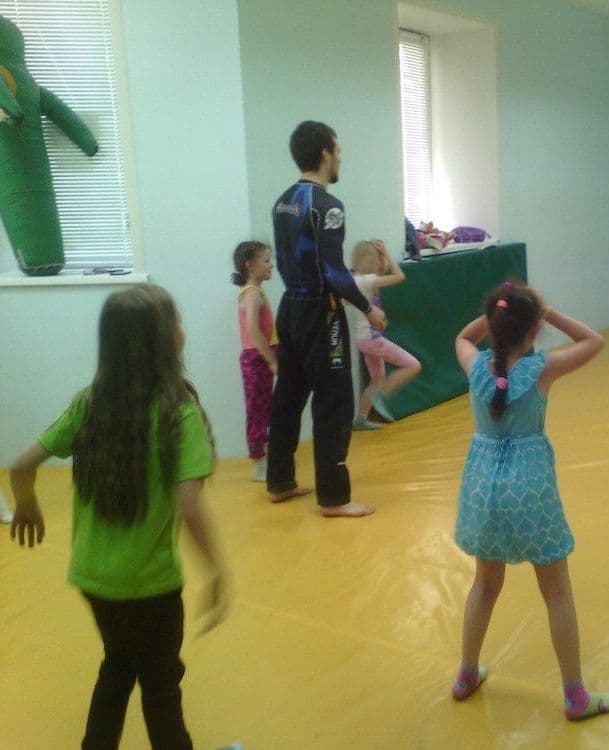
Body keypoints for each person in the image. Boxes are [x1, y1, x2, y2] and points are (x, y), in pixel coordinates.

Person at [8, 284, 228, 750]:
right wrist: (217, 571)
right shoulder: (179, 414)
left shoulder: (90, 403)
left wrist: (25, 502)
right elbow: (190, 506)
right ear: (166, 340)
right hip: (150, 587)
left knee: (119, 666)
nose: (183, 329)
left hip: (93, 579)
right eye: (176, 322)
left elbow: (22, 465)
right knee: (162, 686)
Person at [450, 282, 609, 721]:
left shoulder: (475, 365)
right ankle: (575, 696)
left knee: (484, 584)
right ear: (535, 328)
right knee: (557, 591)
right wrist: (548, 310)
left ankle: (466, 674)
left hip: (483, 485)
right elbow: (594, 341)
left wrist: (497, 313)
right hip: (529, 486)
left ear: (494, 325)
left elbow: (463, 337)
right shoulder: (543, 368)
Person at [268, 120, 386, 517]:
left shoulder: (282, 201)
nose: (340, 158)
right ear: (325, 153)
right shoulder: (327, 206)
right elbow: (334, 272)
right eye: (338, 150)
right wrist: (369, 308)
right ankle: (334, 498)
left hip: (290, 307)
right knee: (333, 400)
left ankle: (280, 481)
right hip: (322, 313)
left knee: (288, 395)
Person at [348, 239, 422, 430]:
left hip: (363, 340)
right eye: (376, 260)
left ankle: (361, 419)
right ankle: (381, 396)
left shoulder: (354, 279)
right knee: (413, 365)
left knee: (377, 378)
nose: (379, 265)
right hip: (372, 340)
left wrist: (380, 255)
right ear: (369, 261)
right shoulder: (367, 281)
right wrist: (387, 252)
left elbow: (380, 272)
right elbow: (399, 276)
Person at [232, 240, 278, 481]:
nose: (271, 265)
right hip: (256, 359)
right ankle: (258, 463)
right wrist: (271, 360)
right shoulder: (251, 294)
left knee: (266, 408)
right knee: (257, 410)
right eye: (266, 261)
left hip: (261, 356)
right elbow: (252, 330)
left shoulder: (255, 291)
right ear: (250, 265)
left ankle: (266, 455)